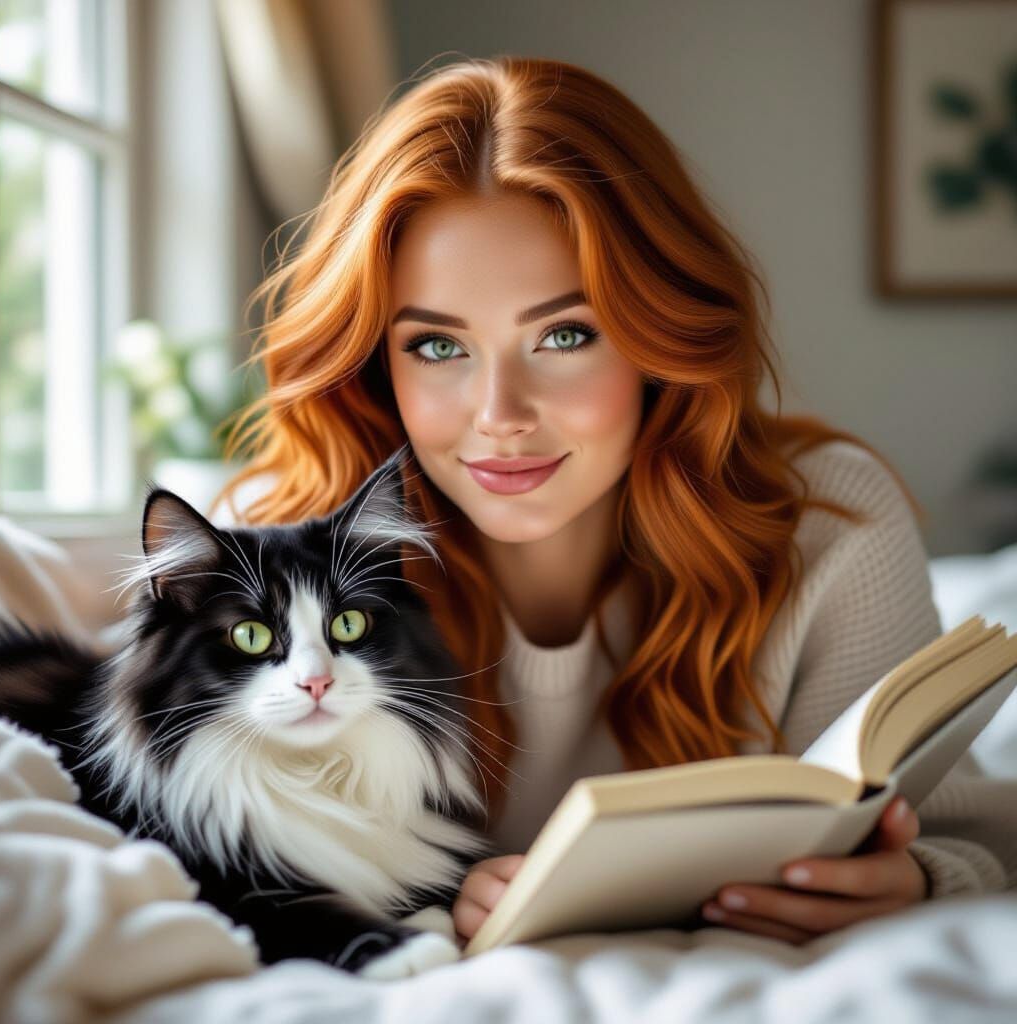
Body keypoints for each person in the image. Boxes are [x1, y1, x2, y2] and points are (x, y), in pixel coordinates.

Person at [216, 56, 1015, 948]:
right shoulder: (270, 563)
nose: (499, 417)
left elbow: (965, 837)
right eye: (438, 348)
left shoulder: (828, 526)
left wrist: (914, 878)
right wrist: (424, 897)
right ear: (374, 363)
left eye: (565, 334)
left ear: (658, 336)